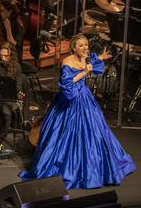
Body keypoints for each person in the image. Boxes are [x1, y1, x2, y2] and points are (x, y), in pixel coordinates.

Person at [19, 34, 136, 189]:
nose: (85, 48)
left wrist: (100, 58)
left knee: (94, 132)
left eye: (86, 45)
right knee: (64, 133)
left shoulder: (86, 58)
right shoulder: (67, 61)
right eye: (81, 45)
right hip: (69, 99)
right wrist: (84, 72)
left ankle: (93, 168)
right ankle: (67, 167)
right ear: (74, 47)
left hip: (85, 99)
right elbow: (66, 83)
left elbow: (93, 64)